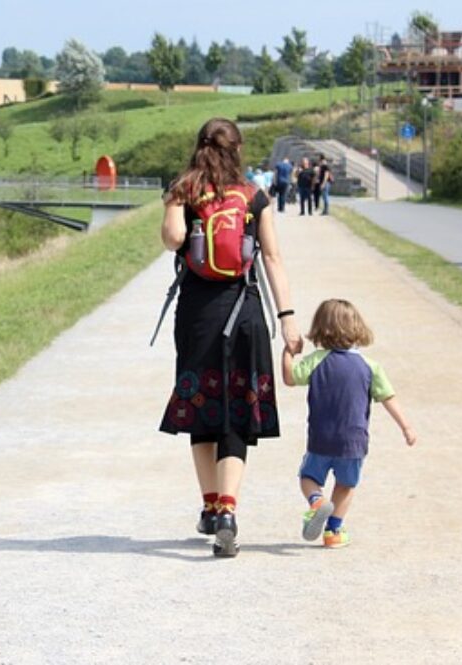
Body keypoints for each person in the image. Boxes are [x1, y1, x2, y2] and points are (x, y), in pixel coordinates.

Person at [159, 117, 302, 558]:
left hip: (199, 314)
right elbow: (273, 259)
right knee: (237, 412)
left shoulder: (185, 190)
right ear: (237, 150)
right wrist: (289, 319)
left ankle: (208, 504)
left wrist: (172, 201)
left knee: (201, 408)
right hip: (247, 313)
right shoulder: (254, 196)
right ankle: (227, 512)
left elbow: (173, 240)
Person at [281, 299, 417, 549]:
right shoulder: (369, 366)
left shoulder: (316, 360)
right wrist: (406, 426)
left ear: (321, 329)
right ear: (357, 328)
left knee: (308, 476)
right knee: (346, 484)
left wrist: (289, 352)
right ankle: (334, 531)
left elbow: (290, 378)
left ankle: (317, 501)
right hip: (353, 442)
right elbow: (388, 397)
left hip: (321, 439)